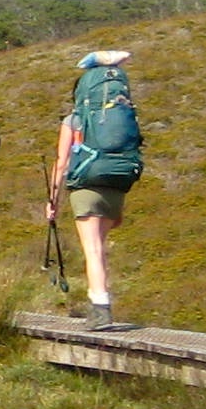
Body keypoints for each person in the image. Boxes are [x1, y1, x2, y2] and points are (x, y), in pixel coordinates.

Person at [47, 50, 143, 330]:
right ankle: (101, 298)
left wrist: (52, 200)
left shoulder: (73, 120)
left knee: (92, 248)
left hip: (86, 186)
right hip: (117, 182)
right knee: (100, 247)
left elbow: (62, 163)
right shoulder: (122, 113)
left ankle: (100, 308)